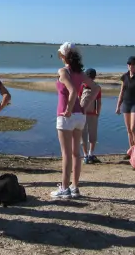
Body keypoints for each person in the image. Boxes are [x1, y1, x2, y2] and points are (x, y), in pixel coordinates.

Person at [51, 42, 100, 199]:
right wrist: (84, 106)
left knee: (66, 154)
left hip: (67, 116)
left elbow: (72, 92)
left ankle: (64, 188)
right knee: (76, 153)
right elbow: (96, 88)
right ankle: (75, 187)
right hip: (80, 116)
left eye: (60, 54)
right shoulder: (80, 72)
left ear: (64, 56)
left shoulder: (63, 71)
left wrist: (68, 109)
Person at [80, 68, 102, 164]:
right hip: (92, 113)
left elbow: (78, 99)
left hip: (82, 113)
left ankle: (85, 155)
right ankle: (90, 153)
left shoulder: (82, 86)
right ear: (94, 76)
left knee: (83, 134)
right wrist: (98, 112)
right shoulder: (97, 87)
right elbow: (99, 102)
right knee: (92, 134)